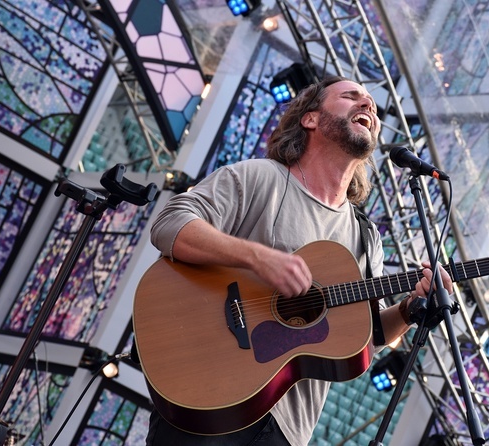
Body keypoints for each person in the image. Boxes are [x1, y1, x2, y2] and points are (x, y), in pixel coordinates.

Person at [146, 76, 453, 445]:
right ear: (310, 118)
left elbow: (368, 336)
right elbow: (170, 224)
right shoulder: (262, 178)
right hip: (210, 395)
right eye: (351, 97)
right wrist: (258, 258)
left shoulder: (365, 236)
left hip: (287, 430)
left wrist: (408, 310)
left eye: (370, 101)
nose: (368, 105)